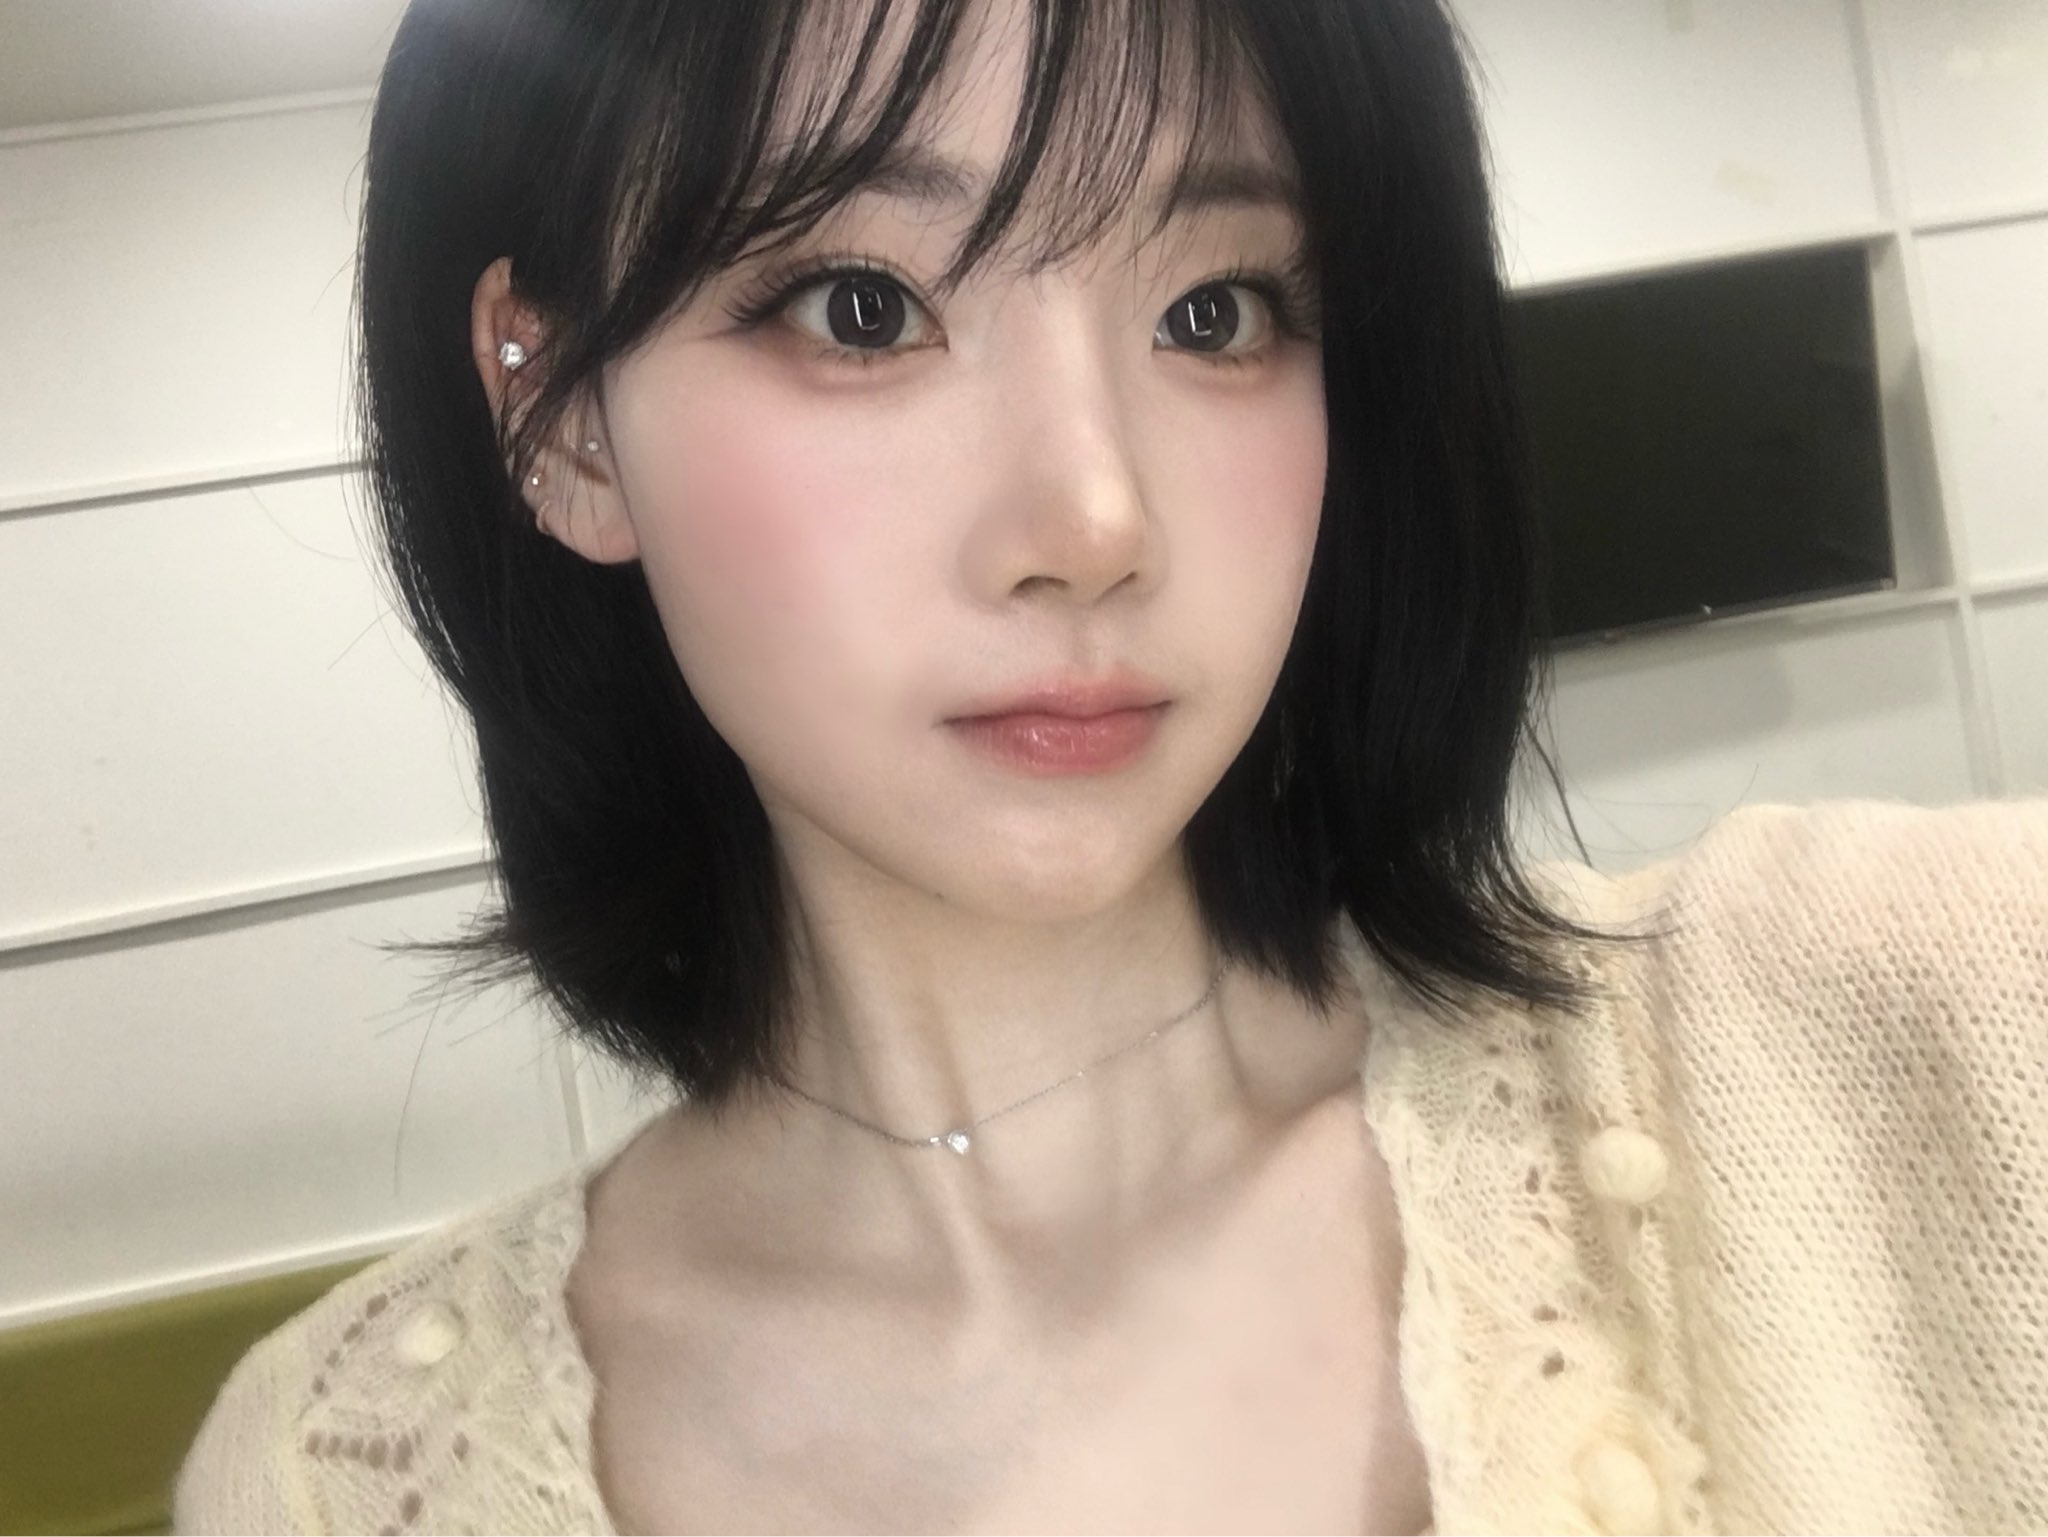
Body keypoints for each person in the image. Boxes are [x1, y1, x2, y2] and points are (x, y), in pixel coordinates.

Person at [174, 0, 2048, 1531]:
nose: (1093, 521)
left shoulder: (1918, 1017)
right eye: (862, 306)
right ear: (563, 413)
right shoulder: (337, 1480)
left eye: (1216, 312)